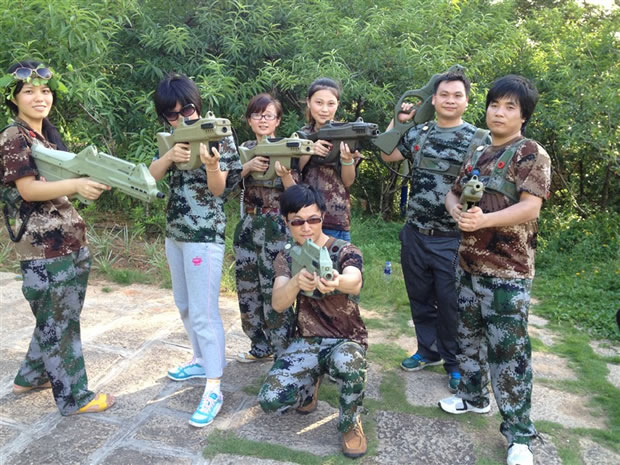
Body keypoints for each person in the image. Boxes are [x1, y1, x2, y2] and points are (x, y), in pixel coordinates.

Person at [440, 75, 551, 465]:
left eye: (509, 107)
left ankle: (519, 436)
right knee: (467, 338)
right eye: (494, 104)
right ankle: (473, 397)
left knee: (509, 353)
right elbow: (453, 192)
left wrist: (483, 221)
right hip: (468, 265)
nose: (499, 113)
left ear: (523, 116)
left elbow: (530, 207)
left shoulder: (530, 153)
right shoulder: (478, 151)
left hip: (507, 272)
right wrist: (456, 211)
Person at [0, 60, 115, 415]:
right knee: (60, 322)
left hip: (66, 241)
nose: (40, 97)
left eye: (45, 91)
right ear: (13, 98)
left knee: (58, 316)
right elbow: (29, 190)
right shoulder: (14, 136)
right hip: (44, 247)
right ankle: (74, 397)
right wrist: (78, 184)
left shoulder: (44, 136)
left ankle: (31, 375)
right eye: (29, 91)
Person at [381, 72, 490, 391]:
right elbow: (388, 152)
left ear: (466, 101)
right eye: (444, 95)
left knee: (451, 303)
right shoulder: (420, 133)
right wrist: (399, 120)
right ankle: (427, 350)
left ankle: (454, 363)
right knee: (420, 298)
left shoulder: (479, 140)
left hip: (453, 238)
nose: (450, 100)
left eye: (457, 95)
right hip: (415, 233)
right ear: (434, 99)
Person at [148, 73, 241, 427]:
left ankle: (214, 388)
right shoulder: (171, 138)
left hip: (204, 233)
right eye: (171, 114)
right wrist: (170, 156)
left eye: (186, 109)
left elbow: (219, 190)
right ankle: (201, 360)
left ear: (196, 104)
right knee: (184, 304)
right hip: (175, 232)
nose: (181, 118)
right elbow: (152, 175)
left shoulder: (218, 133)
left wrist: (212, 165)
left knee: (204, 312)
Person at [258, 184, 368, 459]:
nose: (306, 227)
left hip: (345, 338)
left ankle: (351, 423)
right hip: (308, 340)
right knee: (271, 400)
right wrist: (296, 282)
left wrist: (337, 281)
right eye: (297, 221)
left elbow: (355, 281)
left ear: (323, 217)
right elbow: (278, 302)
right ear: (286, 222)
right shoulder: (286, 255)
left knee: (350, 364)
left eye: (313, 219)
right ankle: (309, 389)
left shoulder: (344, 250)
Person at [234, 93, 297, 363]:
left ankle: (283, 349)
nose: (262, 120)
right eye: (257, 115)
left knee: (275, 287)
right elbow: (223, 185)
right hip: (248, 223)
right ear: (249, 120)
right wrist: (246, 167)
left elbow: (298, 194)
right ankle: (259, 345)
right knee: (247, 287)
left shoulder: (288, 148)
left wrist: (284, 175)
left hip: (276, 226)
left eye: (268, 115)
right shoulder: (243, 150)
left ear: (277, 120)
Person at [298, 78, 359, 242]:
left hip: (336, 219)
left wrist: (347, 160)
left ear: (337, 105)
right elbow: (292, 173)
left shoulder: (347, 133)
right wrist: (309, 150)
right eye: (319, 103)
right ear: (309, 103)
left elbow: (348, 181)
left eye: (331, 104)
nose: (324, 109)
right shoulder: (301, 136)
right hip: (304, 218)